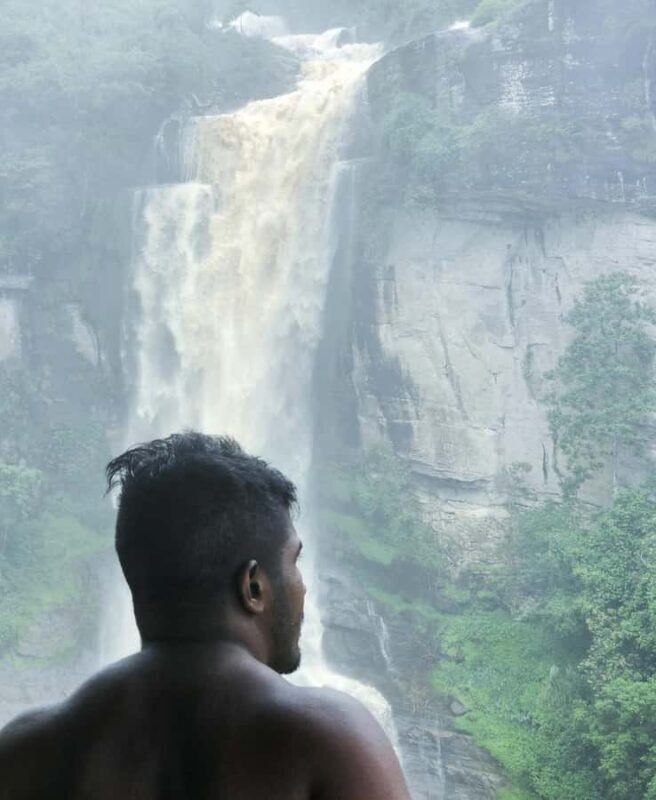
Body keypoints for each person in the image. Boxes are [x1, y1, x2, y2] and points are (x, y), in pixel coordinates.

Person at [0, 432, 410, 799]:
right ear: (253, 586)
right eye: (293, 562)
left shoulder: (25, 750)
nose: (302, 587)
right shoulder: (331, 740)